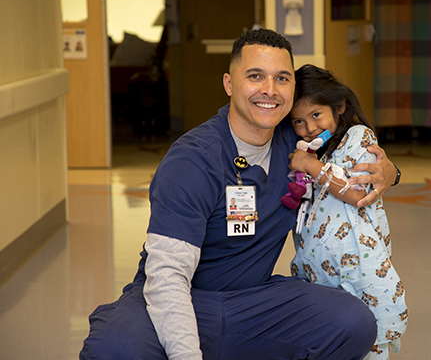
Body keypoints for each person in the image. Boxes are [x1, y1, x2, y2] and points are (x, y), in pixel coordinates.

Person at [79, 28, 399, 360]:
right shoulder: (193, 159)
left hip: (253, 302)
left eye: (282, 79)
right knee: (113, 349)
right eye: (255, 76)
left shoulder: (299, 142)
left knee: (353, 322)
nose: (270, 91)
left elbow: (350, 154)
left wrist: (391, 171)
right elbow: (167, 275)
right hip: (186, 296)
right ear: (229, 84)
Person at [287, 64, 408, 360]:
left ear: (339, 106)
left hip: (358, 269)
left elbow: (357, 194)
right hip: (318, 270)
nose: (310, 128)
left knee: (368, 337)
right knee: (330, 337)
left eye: (316, 115)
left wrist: (311, 167)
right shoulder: (310, 149)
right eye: (298, 121)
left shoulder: (358, 137)